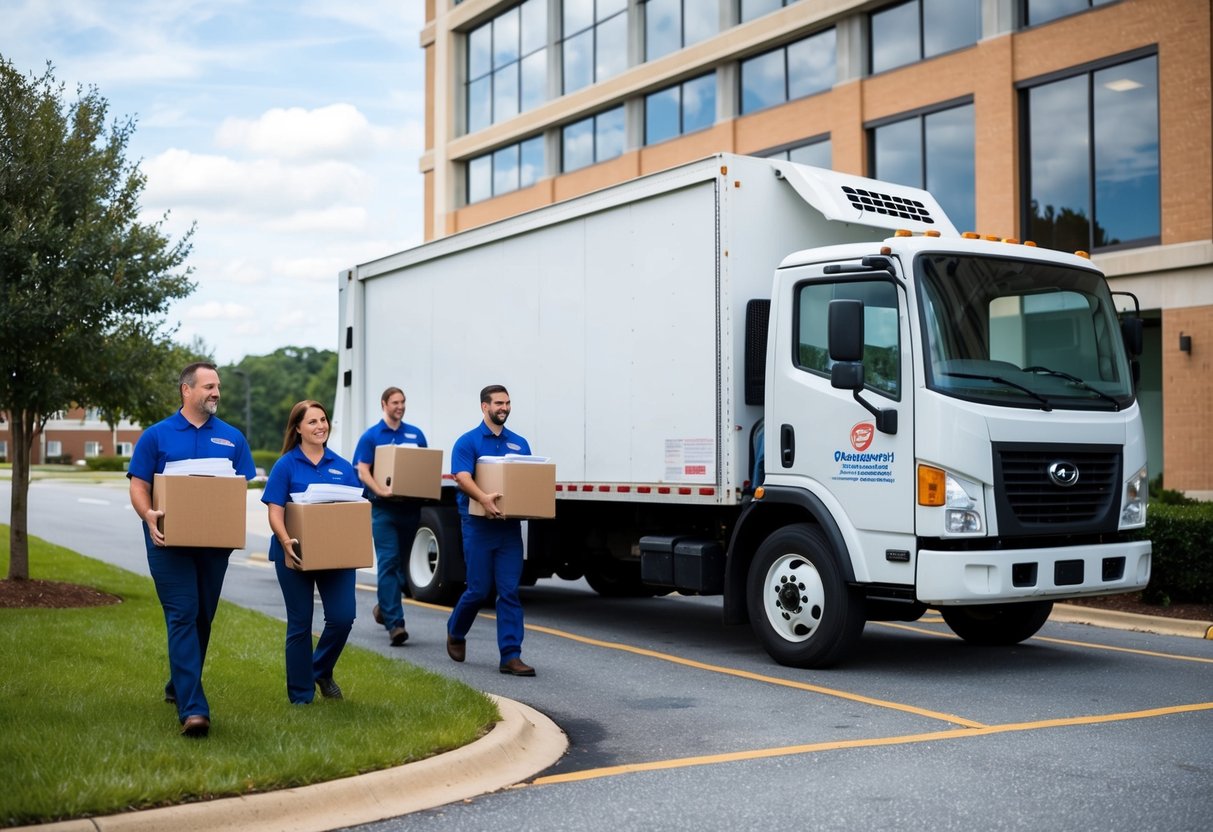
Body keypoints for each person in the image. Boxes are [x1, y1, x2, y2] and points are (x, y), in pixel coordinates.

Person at [128, 362, 256, 738]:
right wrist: (149, 514)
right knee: (183, 612)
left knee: (203, 617)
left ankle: (177, 684)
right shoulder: (157, 436)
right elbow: (139, 485)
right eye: (209, 386)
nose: (216, 392)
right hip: (168, 542)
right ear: (187, 390)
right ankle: (194, 709)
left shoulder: (233, 438)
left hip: (214, 546)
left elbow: (237, 490)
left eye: (218, 387)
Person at [262, 400, 360, 704]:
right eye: (312, 422)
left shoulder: (343, 468)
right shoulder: (286, 465)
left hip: (335, 555)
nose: (321, 426)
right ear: (298, 429)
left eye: (323, 420)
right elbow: (275, 511)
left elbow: (355, 513)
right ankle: (301, 697)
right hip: (295, 553)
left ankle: (319, 669)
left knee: (343, 618)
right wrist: (285, 540)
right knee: (300, 623)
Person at [446, 384, 536, 677]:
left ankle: (511, 656)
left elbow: (526, 480)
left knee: (509, 591)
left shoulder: (519, 444)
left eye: (508, 403)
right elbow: (461, 477)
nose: (504, 408)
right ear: (484, 406)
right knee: (478, 589)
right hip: (478, 526)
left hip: (508, 528)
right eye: (499, 403)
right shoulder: (468, 442)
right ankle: (456, 631)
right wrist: (483, 498)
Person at [353, 387, 429, 647]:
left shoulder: (415, 434)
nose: (400, 406)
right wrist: (380, 490)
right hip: (383, 509)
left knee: (400, 566)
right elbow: (362, 470)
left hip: (410, 508)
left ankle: (384, 607)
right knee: (388, 561)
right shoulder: (372, 436)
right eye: (395, 402)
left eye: (403, 402)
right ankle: (396, 624)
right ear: (384, 404)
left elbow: (423, 467)